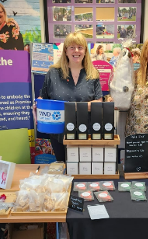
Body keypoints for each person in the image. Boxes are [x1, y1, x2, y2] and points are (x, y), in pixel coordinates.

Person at [37, 32, 102, 161]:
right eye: (72, 47)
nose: (76, 51)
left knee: (85, 171)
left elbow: (99, 102)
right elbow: (43, 98)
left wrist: (73, 107)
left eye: (80, 47)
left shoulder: (93, 74)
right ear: (66, 51)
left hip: (86, 133)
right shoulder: (53, 73)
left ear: (85, 51)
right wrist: (38, 105)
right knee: (63, 169)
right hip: (59, 133)